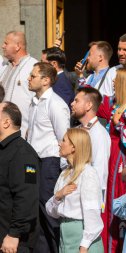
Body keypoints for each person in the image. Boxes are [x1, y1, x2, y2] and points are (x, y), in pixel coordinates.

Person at [96, 67, 126, 253]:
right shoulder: (118, 104)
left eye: (117, 80)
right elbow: (97, 104)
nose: (113, 82)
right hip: (111, 153)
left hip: (120, 157)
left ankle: (116, 246)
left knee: (116, 196)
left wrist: (118, 124)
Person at [27, 62, 70, 253]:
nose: (28, 79)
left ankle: (56, 248)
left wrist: (63, 169)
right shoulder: (34, 102)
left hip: (49, 162)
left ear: (45, 80)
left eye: (33, 76)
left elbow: (64, 138)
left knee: (48, 208)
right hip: (32, 162)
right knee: (32, 207)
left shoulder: (56, 104)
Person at [46, 128, 103, 253]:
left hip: (82, 236)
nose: (59, 143)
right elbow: (51, 211)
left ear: (74, 147)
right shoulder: (65, 174)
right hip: (65, 235)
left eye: (64, 140)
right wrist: (59, 195)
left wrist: (84, 246)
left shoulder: (88, 173)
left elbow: (92, 212)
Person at [0, 101, 40, 253]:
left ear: (6, 122)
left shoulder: (23, 154)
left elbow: (27, 197)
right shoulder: (4, 150)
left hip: (12, 242)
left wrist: (14, 234)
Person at [70, 87, 111, 221]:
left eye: (77, 101)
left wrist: (94, 207)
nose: (72, 103)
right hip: (73, 199)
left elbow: (100, 171)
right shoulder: (79, 130)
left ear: (88, 105)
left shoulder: (98, 133)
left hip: (86, 204)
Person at [0, 31, 38, 136]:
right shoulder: (6, 67)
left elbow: (39, 99)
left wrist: (31, 128)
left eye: (6, 43)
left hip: (23, 131)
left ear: (17, 46)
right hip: (4, 130)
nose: (3, 46)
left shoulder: (33, 66)